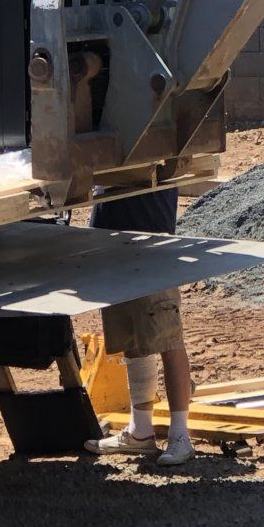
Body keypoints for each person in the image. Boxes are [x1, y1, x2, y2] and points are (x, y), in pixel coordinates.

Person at [85, 187, 197, 467]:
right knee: (131, 338)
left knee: (168, 339)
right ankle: (140, 431)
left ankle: (180, 435)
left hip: (150, 240)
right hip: (113, 239)